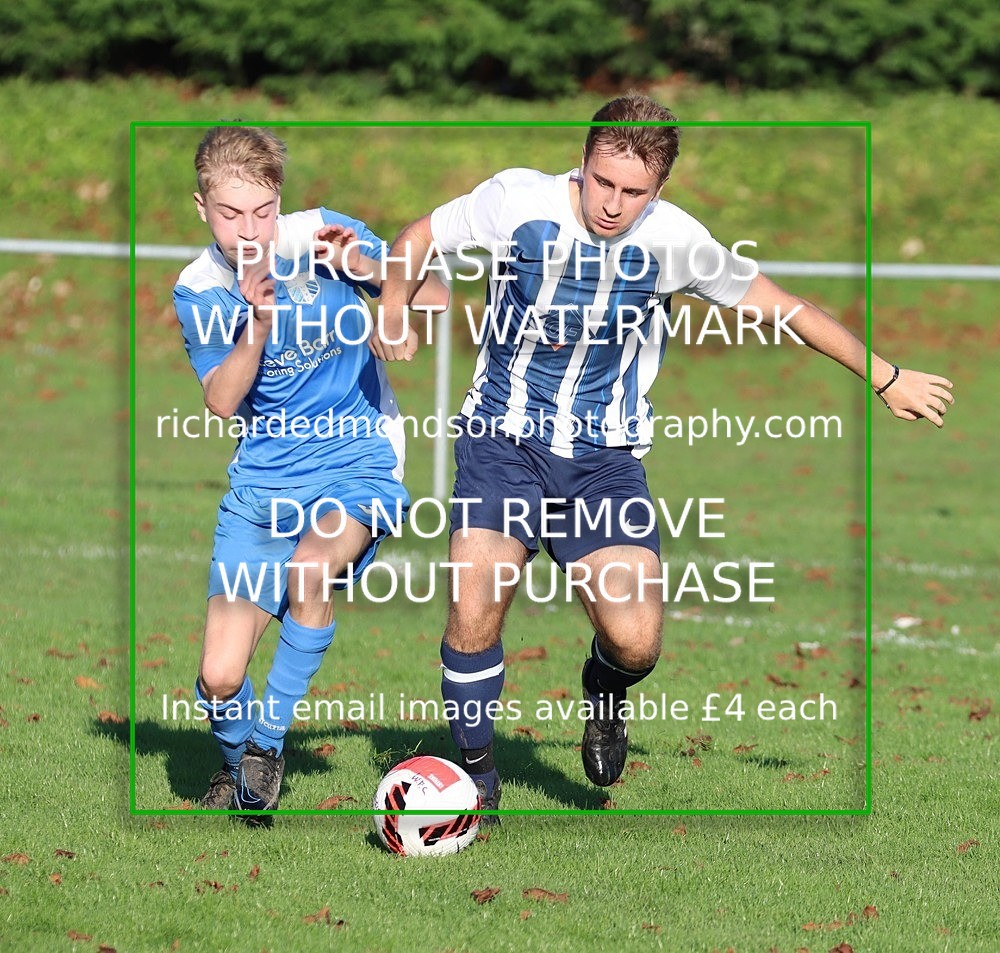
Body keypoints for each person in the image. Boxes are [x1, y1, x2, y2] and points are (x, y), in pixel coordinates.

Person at [374, 93, 954, 814]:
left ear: (659, 190)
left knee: (637, 641)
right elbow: (418, 235)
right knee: (475, 602)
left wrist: (885, 376)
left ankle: (606, 687)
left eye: (634, 192)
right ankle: (476, 777)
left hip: (604, 460)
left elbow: (787, 309)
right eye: (602, 181)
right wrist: (393, 306)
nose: (613, 204)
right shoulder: (516, 201)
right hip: (502, 440)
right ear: (582, 163)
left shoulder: (678, 242)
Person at [173, 126, 447, 815]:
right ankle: (238, 770)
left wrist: (365, 268)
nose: (250, 229)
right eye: (232, 213)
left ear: (279, 202)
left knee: (310, 570)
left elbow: (434, 296)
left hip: (357, 460)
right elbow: (221, 398)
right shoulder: (200, 287)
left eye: (262, 211)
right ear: (202, 208)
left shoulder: (322, 232)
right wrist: (257, 329)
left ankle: (267, 741)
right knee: (217, 676)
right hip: (264, 486)